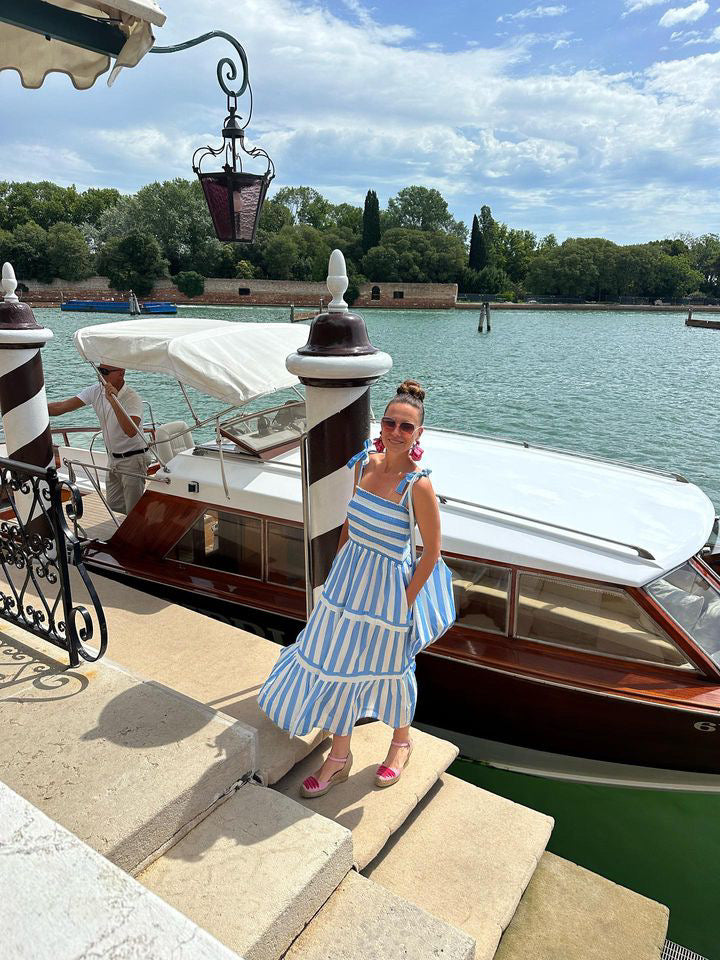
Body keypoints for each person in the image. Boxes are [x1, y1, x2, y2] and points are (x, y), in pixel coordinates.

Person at [258, 379, 455, 797]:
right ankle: (340, 757)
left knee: (393, 667)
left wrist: (404, 601)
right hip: (348, 581)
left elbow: (432, 553)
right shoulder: (364, 463)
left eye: (406, 427)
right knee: (335, 663)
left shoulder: (418, 485)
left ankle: (401, 744)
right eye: (390, 423)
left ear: (419, 434)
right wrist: (335, 575)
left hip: (388, 590)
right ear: (379, 425)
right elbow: (349, 523)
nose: (396, 432)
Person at [48, 365, 149, 514]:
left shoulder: (131, 397)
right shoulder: (95, 391)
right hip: (113, 458)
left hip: (133, 458)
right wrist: (31, 407)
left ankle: (138, 535)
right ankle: (128, 530)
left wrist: (114, 401)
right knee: (114, 505)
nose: (99, 374)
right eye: (98, 369)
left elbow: (131, 431)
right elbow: (61, 407)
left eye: (104, 372)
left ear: (121, 373)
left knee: (134, 511)